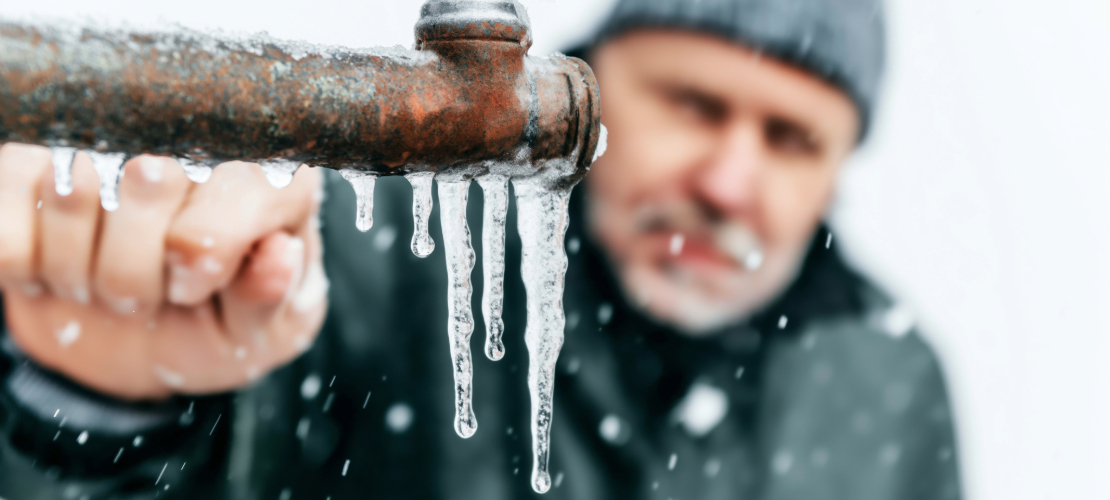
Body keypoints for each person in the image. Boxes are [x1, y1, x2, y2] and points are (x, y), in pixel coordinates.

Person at [0, 0, 962, 498]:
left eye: (792, 139)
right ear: (594, 87)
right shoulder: (366, 272)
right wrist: (97, 411)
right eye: (693, 105)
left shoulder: (884, 376)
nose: (728, 183)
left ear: (839, 170)